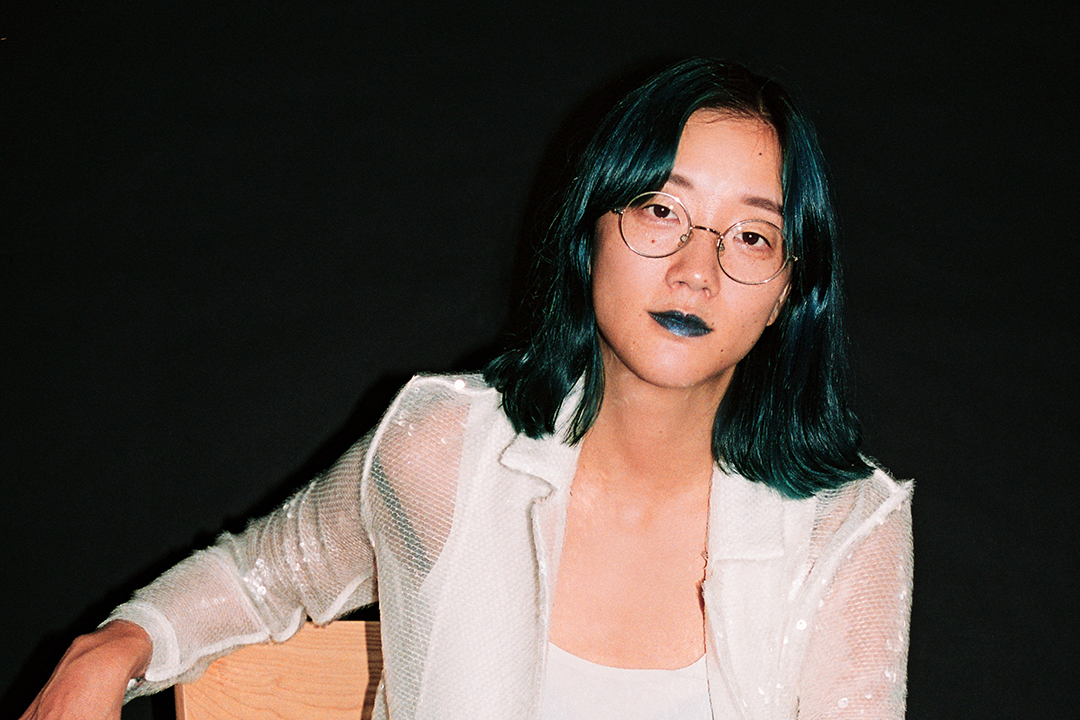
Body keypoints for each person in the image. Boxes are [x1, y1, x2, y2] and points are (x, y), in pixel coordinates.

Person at [21, 58, 913, 720]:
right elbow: (265, 575)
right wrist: (117, 647)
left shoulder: (844, 529)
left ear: (791, 288)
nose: (695, 271)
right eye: (659, 211)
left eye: (750, 237)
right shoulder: (444, 451)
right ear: (592, 228)